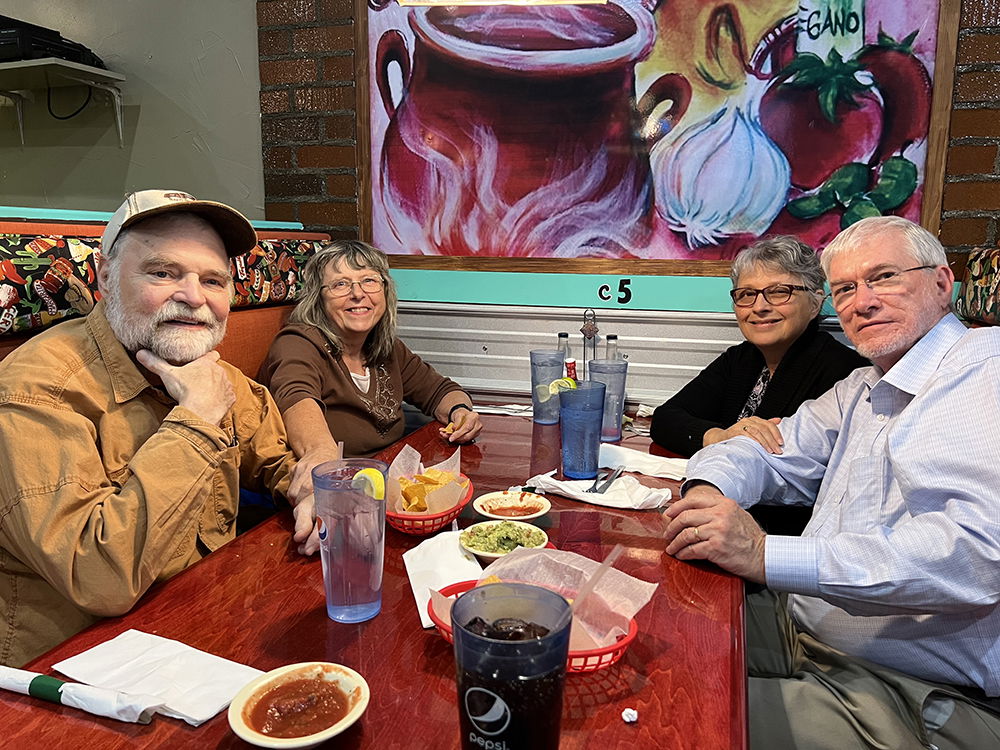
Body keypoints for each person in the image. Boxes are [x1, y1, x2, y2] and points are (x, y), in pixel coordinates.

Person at [663, 216, 1000, 748]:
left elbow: (976, 556)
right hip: (805, 631)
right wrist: (707, 490)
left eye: (883, 277)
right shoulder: (864, 383)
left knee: (673, 718)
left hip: (914, 693)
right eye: (846, 287)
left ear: (942, 283)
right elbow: (763, 450)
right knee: (652, 639)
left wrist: (764, 554)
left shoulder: (983, 373)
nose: (861, 301)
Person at [0, 190, 317, 667]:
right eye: (164, 273)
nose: (194, 298)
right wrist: (196, 422)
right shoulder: (35, 392)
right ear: (106, 277)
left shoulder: (205, 369)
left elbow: (276, 460)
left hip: (203, 624)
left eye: (213, 280)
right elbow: (99, 576)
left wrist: (311, 485)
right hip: (71, 677)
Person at [258, 241, 483, 546]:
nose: (358, 293)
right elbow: (296, 397)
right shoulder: (298, 342)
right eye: (340, 284)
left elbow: (439, 390)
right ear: (318, 298)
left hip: (390, 501)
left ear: (385, 292)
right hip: (333, 505)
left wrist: (461, 413)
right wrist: (321, 454)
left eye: (369, 280)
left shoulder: (385, 348)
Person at [651, 235, 867, 534]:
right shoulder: (742, 358)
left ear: (817, 302)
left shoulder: (845, 373)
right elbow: (664, 420)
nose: (760, 306)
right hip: (713, 514)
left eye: (779, 292)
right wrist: (719, 436)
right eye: (747, 294)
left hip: (773, 541)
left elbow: (809, 489)